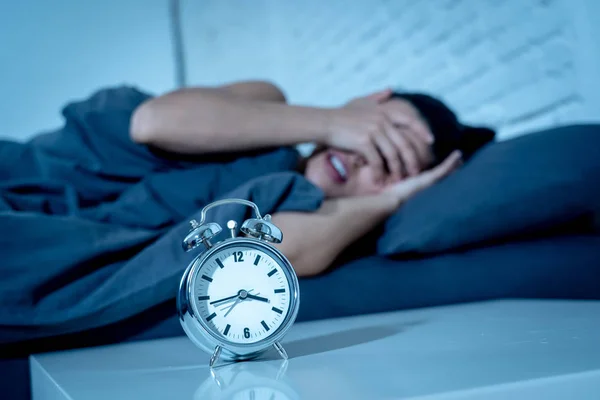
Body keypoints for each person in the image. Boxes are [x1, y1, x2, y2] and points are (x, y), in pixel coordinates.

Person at [130, 80, 494, 277]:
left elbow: (260, 257)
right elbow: (151, 124)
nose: (361, 153)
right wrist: (334, 121)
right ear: (364, 103)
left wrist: (392, 199)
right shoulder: (266, 100)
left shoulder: (317, 227)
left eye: (388, 160)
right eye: (375, 129)